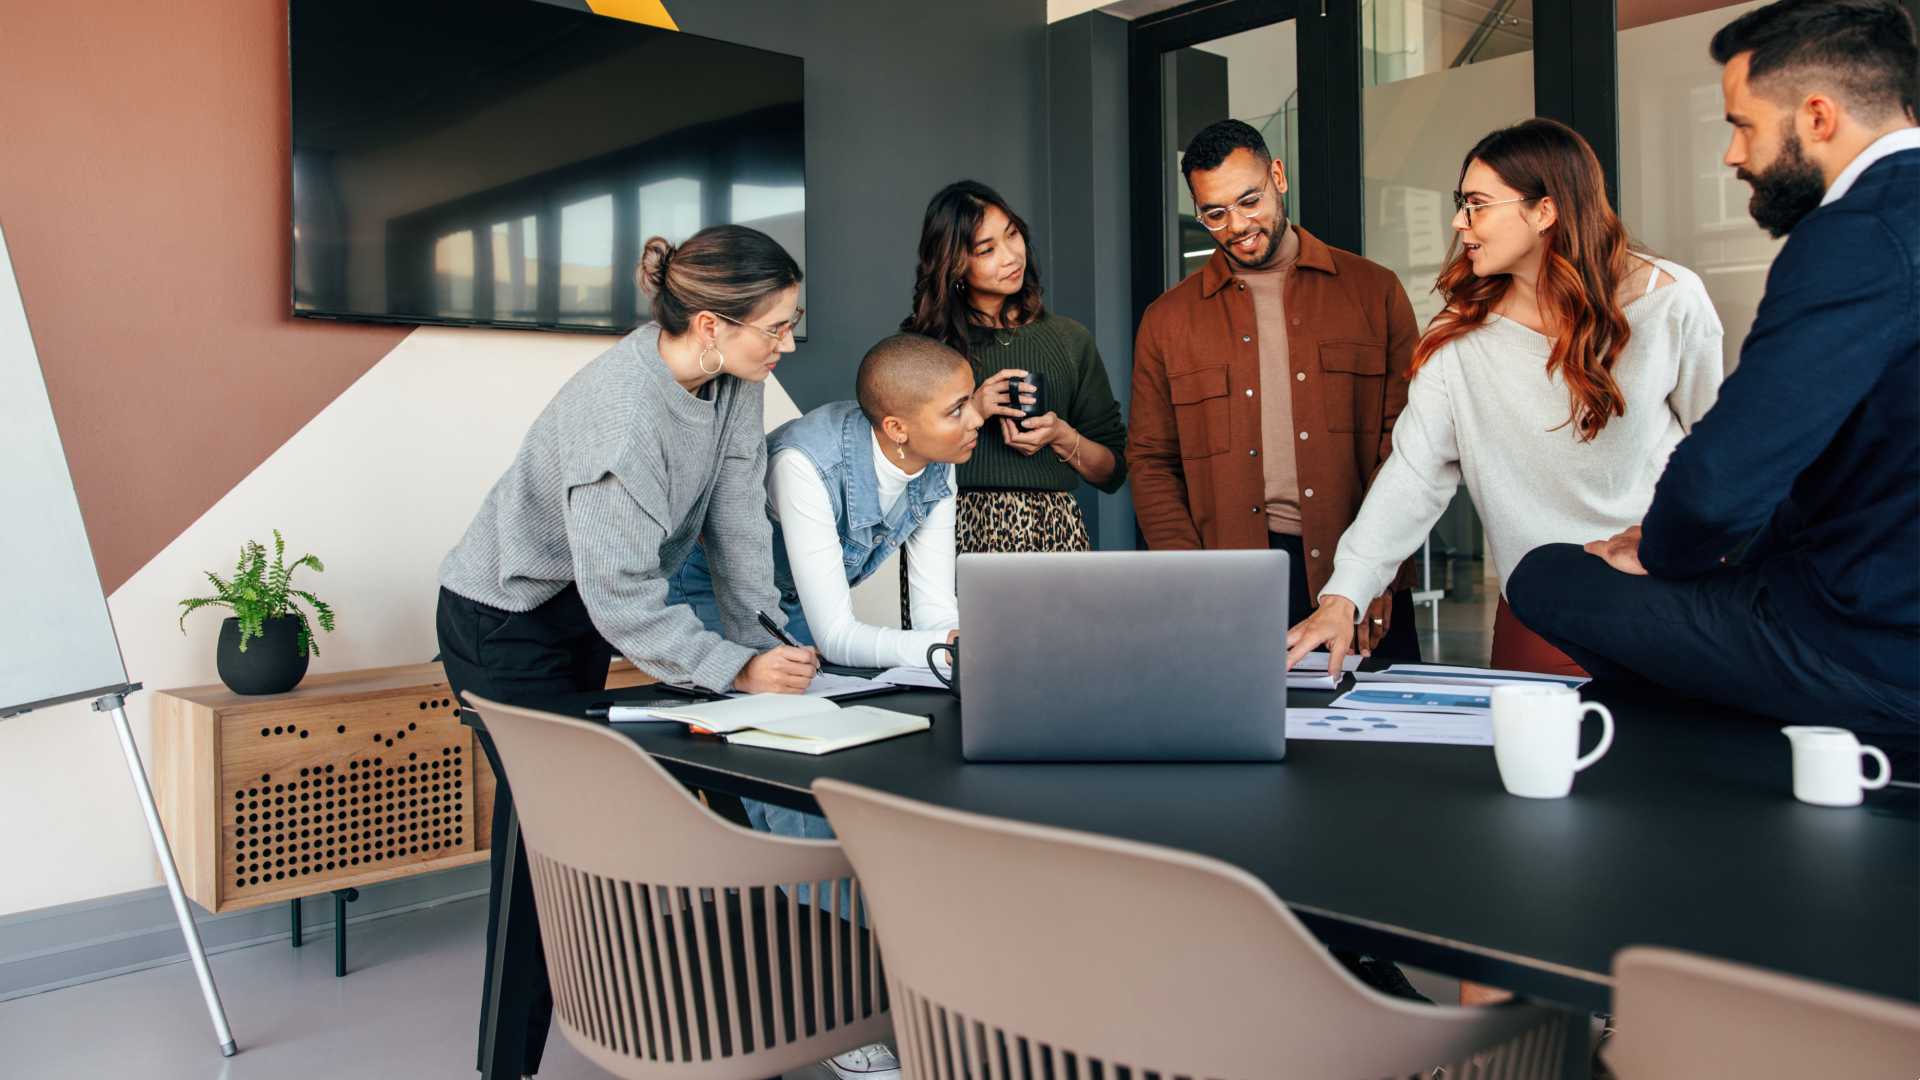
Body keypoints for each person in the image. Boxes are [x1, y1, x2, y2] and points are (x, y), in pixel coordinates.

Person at [435, 224, 819, 1079]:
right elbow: (625, 603)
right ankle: (508, 1059)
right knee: (548, 827)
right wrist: (732, 670)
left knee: (633, 801)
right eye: (778, 326)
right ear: (714, 323)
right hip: (505, 621)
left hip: (581, 613)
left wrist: (768, 647)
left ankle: (715, 1018)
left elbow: (735, 520)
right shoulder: (620, 415)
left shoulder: (733, 375)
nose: (790, 343)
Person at [1507, 0, 1919, 742]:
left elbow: (1721, 477)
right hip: (1876, 603)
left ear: (1819, 116)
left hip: (1865, 648)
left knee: (1548, 575)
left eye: (1743, 125)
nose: (1733, 155)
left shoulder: (1858, 235)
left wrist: (1661, 552)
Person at [1285, 119, 1724, 677]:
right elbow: (1414, 475)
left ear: (1545, 211)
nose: (1458, 222)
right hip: (1537, 616)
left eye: (1476, 204)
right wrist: (1343, 594)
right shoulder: (1458, 336)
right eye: (1460, 203)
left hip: (1664, 603)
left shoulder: (1671, 300)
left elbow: (1715, 453)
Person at [1128, 119, 1422, 660]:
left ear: (1278, 176)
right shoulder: (1167, 321)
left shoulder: (1374, 293)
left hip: (1355, 570)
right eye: (1214, 213)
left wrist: (1379, 573)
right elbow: (1150, 461)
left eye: (1249, 201)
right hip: (1229, 584)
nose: (1237, 225)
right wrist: (1189, 577)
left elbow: (1407, 449)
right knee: (1238, 743)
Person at [901, 180, 1127, 583]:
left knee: (1064, 648)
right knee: (960, 649)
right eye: (986, 250)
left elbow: (1112, 472)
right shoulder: (923, 348)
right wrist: (973, 409)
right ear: (954, 264)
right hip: (949, 538)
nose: (1010, 256)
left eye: (1012, 235)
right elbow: (895, 461)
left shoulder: (1069, 340)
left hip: (1055, 536)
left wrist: (1059, 434)